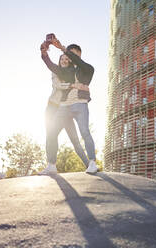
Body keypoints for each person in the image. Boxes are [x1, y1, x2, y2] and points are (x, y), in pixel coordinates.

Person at [47, 36, 98, 174]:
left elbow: (79, 63)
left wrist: (63, 48)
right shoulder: (66, 71)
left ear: (79, 55)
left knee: (84, 132)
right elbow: (52, 67)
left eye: (73, 55)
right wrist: (44, 52)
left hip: (79, 105)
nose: (69, 58)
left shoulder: (88, 69)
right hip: (64, 106)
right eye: (68, 56)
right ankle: (51, 165)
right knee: (51, 132)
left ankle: (92, 162)